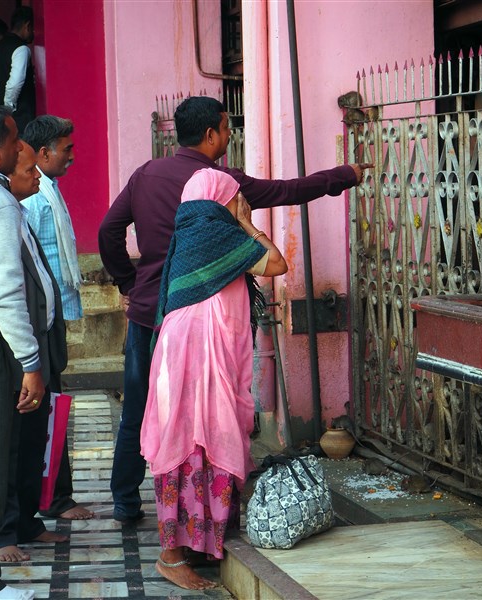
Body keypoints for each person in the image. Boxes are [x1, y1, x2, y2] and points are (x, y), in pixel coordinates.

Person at [98, 95, 371, 523]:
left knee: (139, 409)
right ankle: (205, 509)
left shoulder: (146, 174)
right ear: (210, 134)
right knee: (208, 418)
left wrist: (129, 283)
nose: (229, 136)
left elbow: (108, 230)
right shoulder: (222, 184)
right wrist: (343, 176)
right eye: (227, 129)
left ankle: (126, 501)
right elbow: (286, 191)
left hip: (151, 312)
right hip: (204, 319)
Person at [141, 168, 288, 590]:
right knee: (196, 440)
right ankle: (171, 557)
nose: (241, 202)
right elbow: (277, 263)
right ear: (220, 201)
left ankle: (196, 543)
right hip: (197, 354)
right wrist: (246, 223)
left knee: (191, 440)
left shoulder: (188, 235)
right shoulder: (221, 235)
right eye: (236, 197)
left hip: (185, 353)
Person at [0, 106, 62, 599]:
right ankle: (4, 532)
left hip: (26, 340)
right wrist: (29, 360)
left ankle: (22, 522)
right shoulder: (2, 205)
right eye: (14, 140)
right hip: (11, 345)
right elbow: (7, 291)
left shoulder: (8, 201)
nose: (20, 148)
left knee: (23, 436)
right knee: (7, 440)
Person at [21, 115, 93, 521]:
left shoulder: (49, 190)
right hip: (38, 323)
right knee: (44, 407)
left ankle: (55, 496)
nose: (72, 157)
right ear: (44, 153)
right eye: (66, 149)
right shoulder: (32, 198)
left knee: (53, 404)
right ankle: (53, 499)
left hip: (52, 317)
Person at [0, 7, 35, 134]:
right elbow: (15, 83)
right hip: (19, 118)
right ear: (27, 26)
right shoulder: (21, 49)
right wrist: (8, 108)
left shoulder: (1, 45)